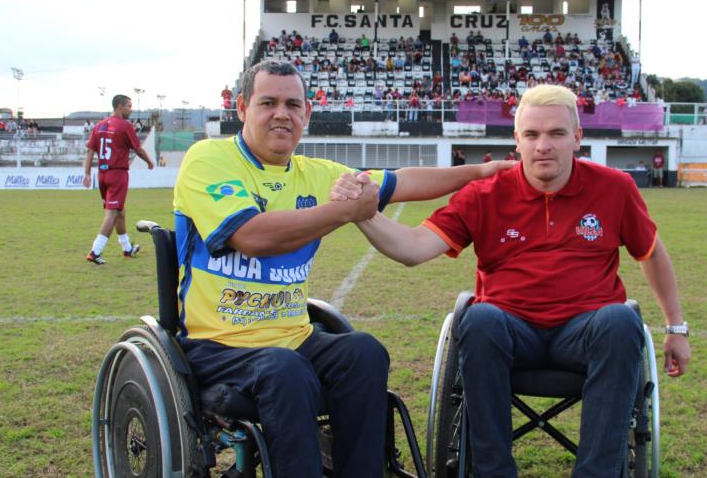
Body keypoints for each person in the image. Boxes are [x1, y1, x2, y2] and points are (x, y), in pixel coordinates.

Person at [172, 60, 515, 478]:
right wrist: (342, 211)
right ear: (242, 107)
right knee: (285, 370)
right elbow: (252, 236)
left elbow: (400, 181)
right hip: (218, 346)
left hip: (293, 338)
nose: (282, 113)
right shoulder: (209, 158)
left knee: (364, 352)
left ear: (307, 114)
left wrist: (478, 173)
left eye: (293, 104)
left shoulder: (317, 175)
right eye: (268, 103)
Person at [332, 84, 690, 477]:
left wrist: (675, 327)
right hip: (509, 331)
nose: (544, 146)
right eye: (532, 135)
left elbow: (651, 253)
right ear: (516, 140)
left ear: (577, 137)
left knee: (622, 321)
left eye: (556, 133)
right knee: (480, 319)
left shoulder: (615, 188)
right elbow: (415, 247)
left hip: (586, 331)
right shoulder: (485, 194)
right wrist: (364, 213)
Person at [83, 94, 155, 265]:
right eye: (129, 106)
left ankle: (127, 248)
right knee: (112, 213)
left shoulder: (100, 125)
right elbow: (137, 149)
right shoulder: (124, 125)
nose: (131, 109)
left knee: (119, 212)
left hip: (102, 175)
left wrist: (87, 173)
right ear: (120, 106)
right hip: (117, 174)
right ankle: (95, 251)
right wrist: (149, 162)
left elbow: (90, 151)